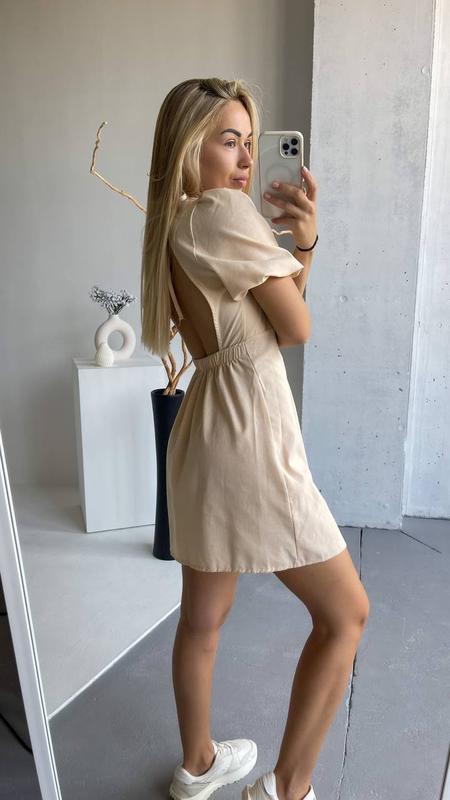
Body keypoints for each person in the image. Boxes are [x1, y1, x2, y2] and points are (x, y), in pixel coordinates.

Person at [140, 78, 370, 800]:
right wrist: (307, 243)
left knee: (202, 620)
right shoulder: (223, 212)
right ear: (189, 148)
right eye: (227, 140)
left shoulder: (176, 223)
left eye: (249, 141)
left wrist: (298, 248)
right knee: (346, 613)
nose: (245, 159)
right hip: (249, 434)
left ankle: (197, 765)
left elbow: (267, 319)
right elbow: (294, 327)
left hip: (205, 431)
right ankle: (286, 790)